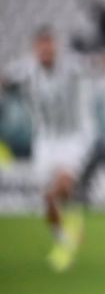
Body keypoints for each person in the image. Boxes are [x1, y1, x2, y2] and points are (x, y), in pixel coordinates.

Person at [1, 26, 95, 272]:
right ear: (35, 49)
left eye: (50, 45)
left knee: (60, 187)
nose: (47, 50)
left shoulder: (73, 65)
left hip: (74, 136)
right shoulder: (24, 70)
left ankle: (68, 218)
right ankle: (63, 239)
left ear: (56, 47)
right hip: (44, 139)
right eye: (42, 46)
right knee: (48, 201)